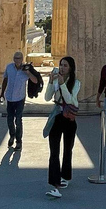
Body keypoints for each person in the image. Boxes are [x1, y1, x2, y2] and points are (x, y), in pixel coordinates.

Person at [44, 56, 80, 199]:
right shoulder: (56, 81)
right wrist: (51, 82)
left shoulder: (76, 83)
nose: (62, 68)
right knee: (54, 149)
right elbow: (47, 98)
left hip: (69, 118)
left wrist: (62, 84)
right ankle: (54, 182)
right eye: (61, 65)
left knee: (67, 149)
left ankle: (66, 176)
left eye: (65, 65)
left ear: (70, 67)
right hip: (57, 116)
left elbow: (70, 100)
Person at [0, 51, 39, 151]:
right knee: (9, 119)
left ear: (22, 59)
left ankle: (19, 141)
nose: (17, 60)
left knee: (18, 120)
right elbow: (5, 80)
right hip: (9, 97)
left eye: (19, 58)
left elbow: (35, 80)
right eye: (15, 58)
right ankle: (12, 135)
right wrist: (1, 93)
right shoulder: (9, 67)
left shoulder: (26, 69)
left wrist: (28, 73)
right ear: (13, 59)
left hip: (20, 98)